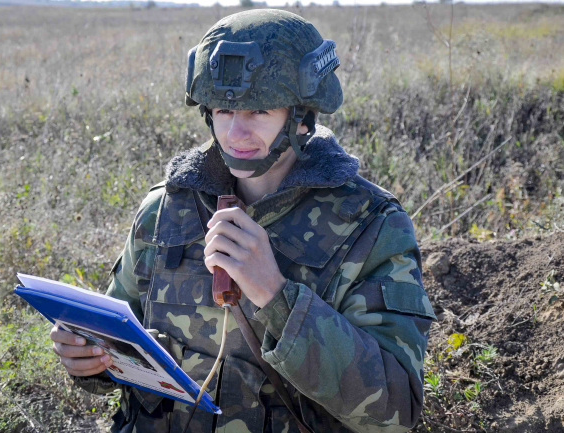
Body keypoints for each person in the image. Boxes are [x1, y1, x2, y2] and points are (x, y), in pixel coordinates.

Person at [49, 9, 436, 433]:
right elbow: (122, 339)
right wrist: (91, 359)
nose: (235, 133)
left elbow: (395, 411)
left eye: (259, 111)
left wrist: (275, 295)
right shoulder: (165, 209)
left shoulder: (371, 226)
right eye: (223, 110)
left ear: (302, 115)